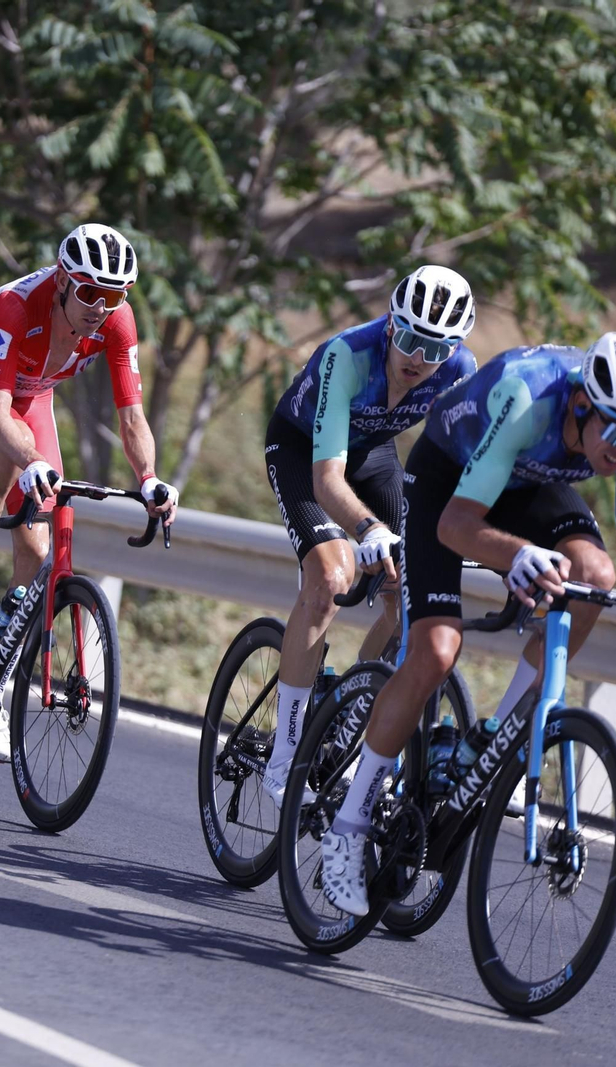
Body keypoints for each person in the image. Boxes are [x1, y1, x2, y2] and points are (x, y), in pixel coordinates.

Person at [317, 333, 616, 916]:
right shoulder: (529, 400)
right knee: (436, 651)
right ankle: (347, 828)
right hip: (449, 481)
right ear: (583, 406)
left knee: (594, 574)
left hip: (528, 481)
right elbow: (456, 525)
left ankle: (492, 731)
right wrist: (519, 554)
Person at [0, 223, 179, 761]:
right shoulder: (20, 309)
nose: (100, 306)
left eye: (113, 295)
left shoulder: (117, 323)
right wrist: (31, 459)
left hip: (30, 392)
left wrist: (150, 478)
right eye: (89, 292)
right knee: (5, 455)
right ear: (64, 281)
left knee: (39, 549)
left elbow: (131, 417)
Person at [261, 265, 478, 804]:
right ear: (389, 326)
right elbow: (326, 478)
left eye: (434, 350)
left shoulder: (460, 372)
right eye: (407, 339)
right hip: (304, 448)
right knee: (332, 578)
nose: (416, 360)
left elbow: (456, 469)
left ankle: (348, 713)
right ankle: (283, 758)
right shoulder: (347, 355)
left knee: (406, 595)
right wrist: (369, 527)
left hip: (375, 449)